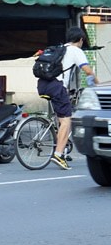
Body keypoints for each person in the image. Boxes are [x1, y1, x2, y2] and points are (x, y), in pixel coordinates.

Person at [38, 26, 98, 170]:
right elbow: (87, 69)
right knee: (67, 120)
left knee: (61, 117)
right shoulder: (75, 50)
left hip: (43, 84)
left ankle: (62, 149)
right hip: (57, 86)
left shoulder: (59, 48)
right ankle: (58, 154)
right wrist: (97, 83)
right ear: (81, 39)